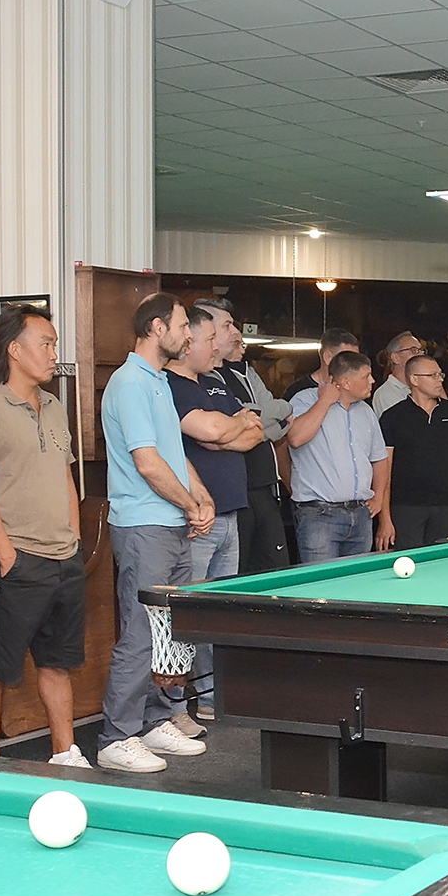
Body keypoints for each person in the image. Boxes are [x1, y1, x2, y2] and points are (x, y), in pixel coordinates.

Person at [0, 304, 90, 765]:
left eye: (54, 344)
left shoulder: (54, 406)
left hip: (64, 560)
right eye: (45, 344)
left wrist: (74, 542)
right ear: (14, 350)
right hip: (15, 561)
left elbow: (67, 479)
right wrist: (7, 556)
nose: (54, 354)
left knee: (58, 664)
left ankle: (65, 754)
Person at [95, 293, 215, 774]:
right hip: (144, 525)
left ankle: (155, 720)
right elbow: (147, 463)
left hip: (171, 522)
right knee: (142, 633)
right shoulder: (129, 383)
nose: (188, 334)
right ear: (156, 327)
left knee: (170, 633)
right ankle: (116, 737)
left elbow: (173, 454)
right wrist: (189, 505)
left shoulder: (159, 381)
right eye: (183, 326)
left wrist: (200, 496)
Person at [167, 302, 264, 725]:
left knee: (218, 613)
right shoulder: (169, 385)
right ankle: (173, 707)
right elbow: (210, 432)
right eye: (209, 339)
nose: (214, 347)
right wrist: (226, 428)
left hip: (230, 514)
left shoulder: (218, 384)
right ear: (187, 342)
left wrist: (228, 429)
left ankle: (211, 698)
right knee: (185, 615)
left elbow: (255, 433)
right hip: (196, 519)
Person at [196, 297, 293, 575]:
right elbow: (227, 429)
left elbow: (277, 418)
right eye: (227, 326)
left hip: (265, 490)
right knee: (234, 577)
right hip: (233, 497)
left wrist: (254, 423)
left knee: (274, 573)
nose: (236, 333)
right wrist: (254, 422)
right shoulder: (202, 379)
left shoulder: (242, 373)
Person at [289, 350, 388, 561]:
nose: (372, 381)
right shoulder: (305, 399)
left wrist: (378, 497)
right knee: (321, 579)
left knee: (357, 579)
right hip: (319, 515)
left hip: (361, 514)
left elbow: (379, 457)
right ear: (345, 382)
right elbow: (295, 438)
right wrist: (325, 401)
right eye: (366, 376)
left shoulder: (366, 411)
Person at [378, 354, 448, 549]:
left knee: (443, 562)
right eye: (432, 375)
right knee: (409, 562)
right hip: (405, 508)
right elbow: (384, 471)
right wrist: (385, 519)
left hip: (446, 506)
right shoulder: (392, 417)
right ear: (414, 379)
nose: (440, 380)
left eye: (440, 374)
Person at [282, 328, 360, 401]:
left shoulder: (356, 391)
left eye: (357, 360)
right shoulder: (296, 391)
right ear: (328, 357)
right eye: (347, 359)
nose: (355, 366)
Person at [371, 330, 421, 415]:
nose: (420, 355)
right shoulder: (385, 394)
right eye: (414, 350)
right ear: (396, 358)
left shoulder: (422, 387)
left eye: (421, 350)